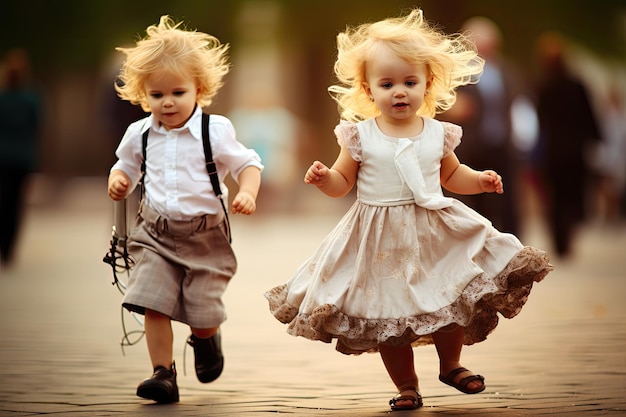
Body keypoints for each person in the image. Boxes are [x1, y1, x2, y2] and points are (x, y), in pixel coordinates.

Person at [265, 8, 553, 411]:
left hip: (433, 231)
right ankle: (406, 385)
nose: (399, 91)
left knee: (448, 298)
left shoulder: (438, 132)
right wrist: (323, 179)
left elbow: (453, 176)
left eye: (409, 82)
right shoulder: (359, 136)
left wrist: (480, 179)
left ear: (427, 84)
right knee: (390, 318)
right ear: (368, 90)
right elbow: (342, 183)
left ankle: (451, 364)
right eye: (387, 84)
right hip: (379, 240)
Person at [107, 16, 263, 404]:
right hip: (155, 234)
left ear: (200, 88)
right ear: (145, 96)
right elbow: (125, 165)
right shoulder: (139, 133)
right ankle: (163, 373)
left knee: (203, 313)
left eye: (178, 91)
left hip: (205, 236)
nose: (168, 102)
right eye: (157, 95)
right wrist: (119, 179)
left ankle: (206, 337)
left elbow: (249, 164)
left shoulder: (216, 130)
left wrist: (248, 192)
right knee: (152, 302)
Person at [441, 17, 527, 236]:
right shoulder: (454, 71)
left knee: (507, 199)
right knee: (473, 198)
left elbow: (519, 104)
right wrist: (453, 106)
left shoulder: (506, 71)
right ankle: (475, 242)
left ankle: (511, 245)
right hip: (470, 145)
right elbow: (437, 101)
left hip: (502, 143)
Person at [533, 31, 602, 257]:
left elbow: (539, 121)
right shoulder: (576, 85)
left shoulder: (542, 87)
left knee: (555, 196)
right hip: (574, 150)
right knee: (573, 194)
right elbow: (589, 116)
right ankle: (568, 232)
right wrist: (596, 139)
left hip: (553, 151)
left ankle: (560, 238)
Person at [0, 48, 41, 269]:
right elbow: (37, 126)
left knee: (3, 200)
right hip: (22, 158)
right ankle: (9, 248)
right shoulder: (30, 100)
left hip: (2, 157)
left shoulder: (2, 99)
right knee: (16, 203)